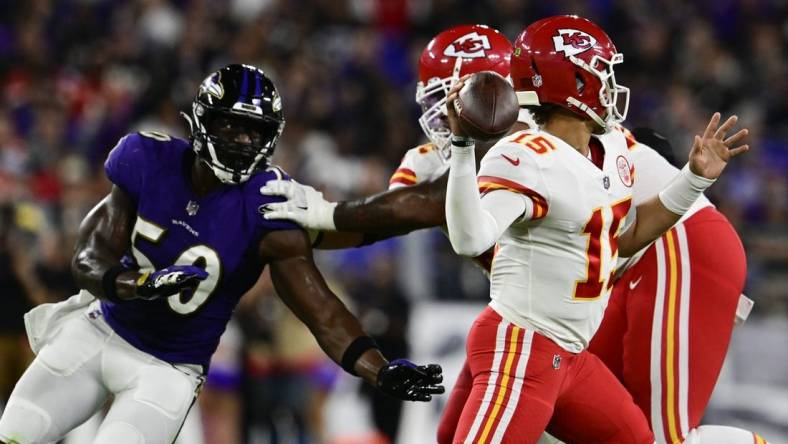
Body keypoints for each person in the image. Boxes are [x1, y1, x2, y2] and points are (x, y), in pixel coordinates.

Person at [261, 18, 758, 443]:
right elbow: (394, 215)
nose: (446, 112)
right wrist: (299, 225)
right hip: (566, 306)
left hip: (672, 247)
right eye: (438, 99)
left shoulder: (543, 139)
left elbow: (421, 206)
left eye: (461, 93)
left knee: (659, 433)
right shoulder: (490, 147)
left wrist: (326, 213)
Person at [0, 64, 443, 444]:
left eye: (256, 132)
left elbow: (320, 309)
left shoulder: (270, 204)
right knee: (17, 429)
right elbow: (89, 258)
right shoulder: (148, 158)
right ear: (202, 121)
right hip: (101, 330)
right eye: (233, 125)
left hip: (168, 367)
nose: (244, 141)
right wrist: (138, 285)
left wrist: (378, 370)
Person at [442, 15, 746, 443]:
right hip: (523, 348)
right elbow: (470, 238)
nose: (610, 84)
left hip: (570, 357)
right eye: (603, 73)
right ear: (578, 85)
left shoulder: (612, 147)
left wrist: (694, 178)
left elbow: (624, 241)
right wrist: (460, 149)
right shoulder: (527, 155)